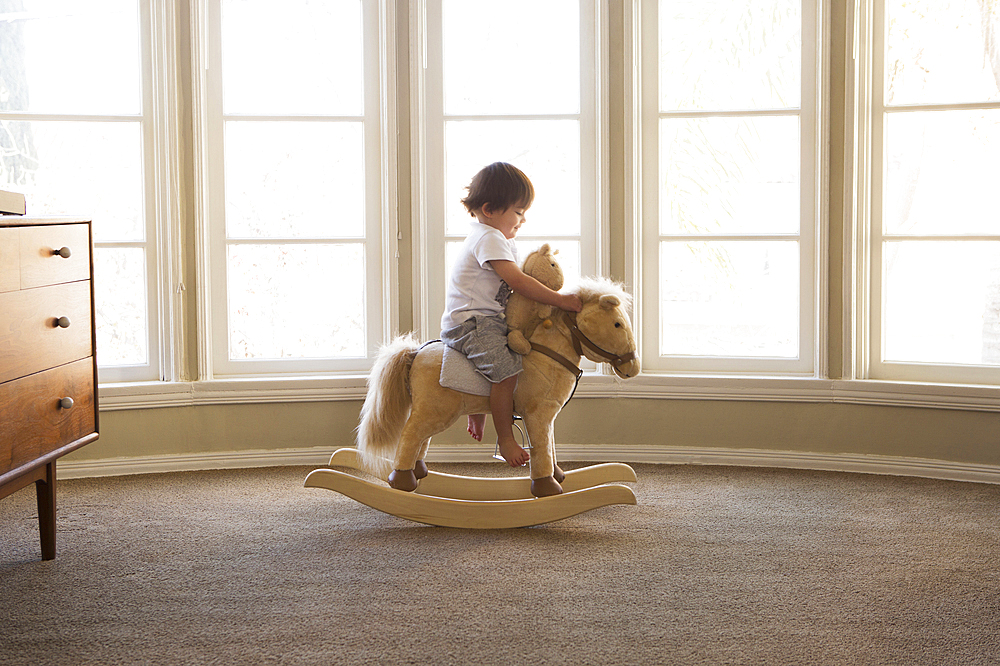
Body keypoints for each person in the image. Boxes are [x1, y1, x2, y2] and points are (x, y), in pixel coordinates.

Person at [440, 162, 583, 467]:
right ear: (490, 209)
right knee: (508, 371)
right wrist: (559, 300)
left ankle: (475, 410)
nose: (523, 219)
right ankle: (506, 439)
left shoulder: (497, 239)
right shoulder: (488, 238)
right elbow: (517, 282)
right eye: (518, 212)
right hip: (471, 324)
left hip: (484, 320)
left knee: (504, 357)